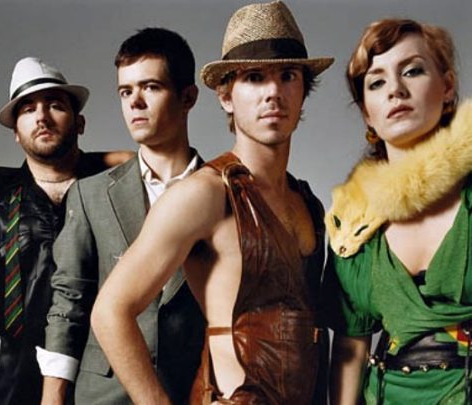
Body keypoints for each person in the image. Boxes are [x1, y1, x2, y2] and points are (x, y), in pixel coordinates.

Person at [91, 2, 334, 404]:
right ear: (225, 96)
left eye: (287, 76)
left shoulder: (306, 201)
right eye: (254, 78)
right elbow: (110, 312)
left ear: (303, 90)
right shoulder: (204, 193)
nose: (273, 92)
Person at [39, 27, 205, 404]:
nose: (135, 103)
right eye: (125, 92)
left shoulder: (223, 193)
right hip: (104, 393)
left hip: (191, 390)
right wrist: (52, 397)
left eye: (151, 87)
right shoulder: (90, 194)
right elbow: (68, 303)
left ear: (188, 97)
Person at [325, 18, 472, 405]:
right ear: (367, 113)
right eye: (376, 82)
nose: (395, 90)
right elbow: (350, 349)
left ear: (447, 87)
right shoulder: (353, 224)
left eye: (412, 71)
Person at [0, 57, 132, 405]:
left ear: (80, 122)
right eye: (28, 109)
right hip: (19, 381)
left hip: (109, 377)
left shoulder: (115, 190)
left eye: (55, 105)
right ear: (16, 133)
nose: (41, 117)